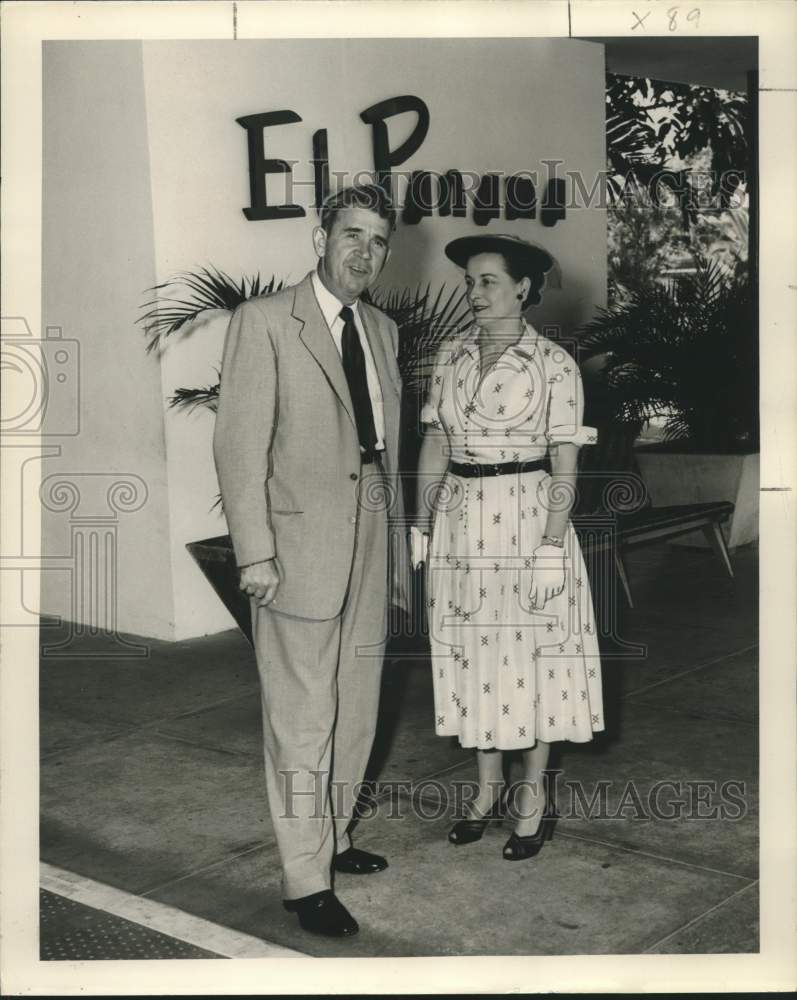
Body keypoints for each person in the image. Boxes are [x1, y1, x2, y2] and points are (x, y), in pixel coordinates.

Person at [213, 184, 404, 937]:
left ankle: (332, 839)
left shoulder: (384, 329)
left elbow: (387, 450)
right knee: (301, 717)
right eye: (351, 234)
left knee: (356, 706)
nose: (364, 251)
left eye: (379, 240)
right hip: (294, 549)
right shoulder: (263, 322)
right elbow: (237, 445)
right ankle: (303, 877)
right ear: (318, 239)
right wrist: (254, 552)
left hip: (370, 537)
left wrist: (400, 547)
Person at [414, 233, 604, 860]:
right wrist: (419, 524)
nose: (475, 293)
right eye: (470, 282)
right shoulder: (450, 356)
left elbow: (564, 464)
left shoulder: (553, 364)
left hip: (527, 519)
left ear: (523, 288)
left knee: (530, 656)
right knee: (474, 652)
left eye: (489, 281)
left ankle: (532, 795)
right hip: (461, 521)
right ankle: (485, 788)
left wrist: (552, 545)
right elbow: (436, 445)